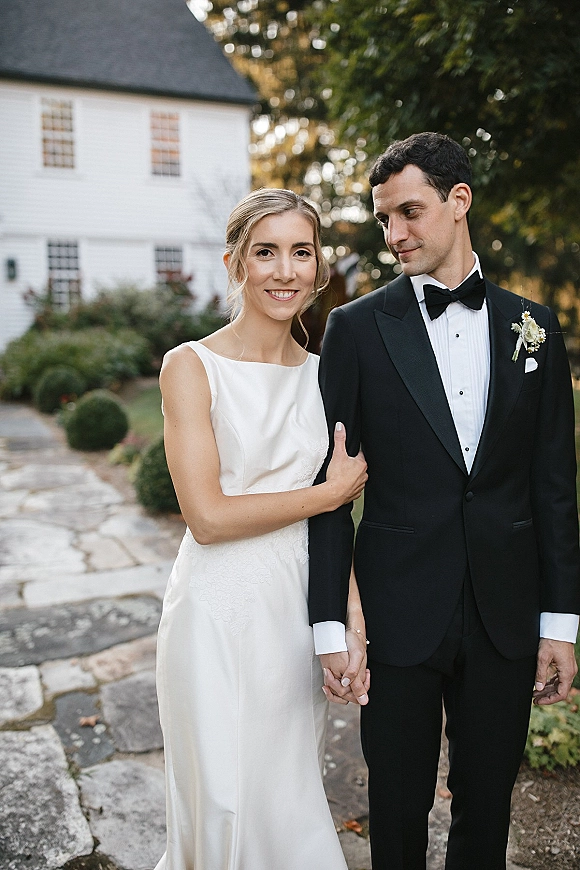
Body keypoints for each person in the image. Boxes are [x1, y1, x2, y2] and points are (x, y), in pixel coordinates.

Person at [308, 132, 580, 869]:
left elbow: (554, 485)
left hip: (505, 613)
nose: (394, 234)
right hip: (397, 615)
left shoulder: (536, 328)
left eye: (410, 212)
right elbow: (326, 492)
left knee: (488, 806)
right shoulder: (355, 329)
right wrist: (331, 625)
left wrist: (559, 622)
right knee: (395, 807)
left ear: (459, 201)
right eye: (384, 220)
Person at [154, 187, 369, 870]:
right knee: (223, 801)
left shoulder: (327, 375)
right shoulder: (191, 366)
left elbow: (336, 521)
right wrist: (329, 492)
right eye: (265, 252)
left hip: (293, 611)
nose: (285, 271)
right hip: (215, 613)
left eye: (301, 252)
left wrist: (349, 623)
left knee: (284, 796)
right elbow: (209, 517)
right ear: (234, 264)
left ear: (319, 267)